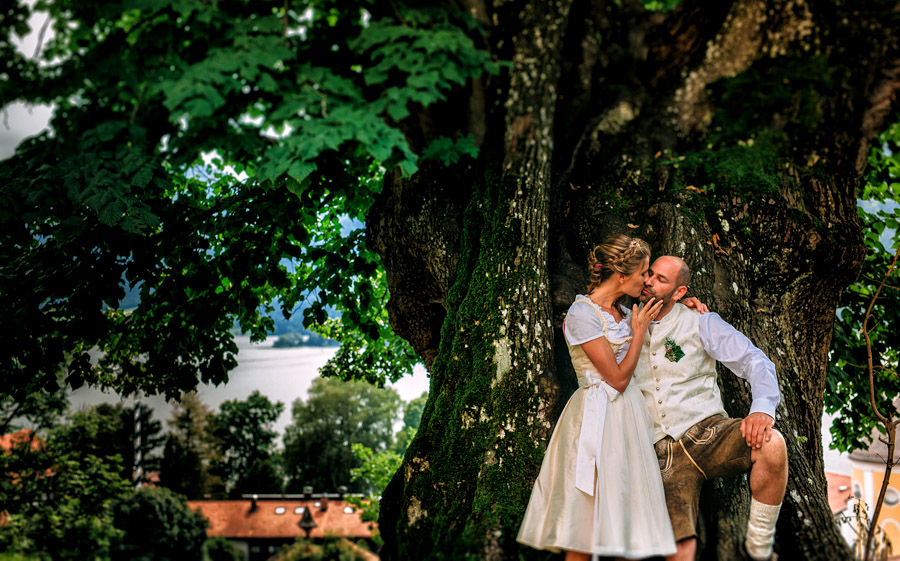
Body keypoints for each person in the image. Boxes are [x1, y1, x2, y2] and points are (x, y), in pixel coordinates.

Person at [517, 234, 675, 560]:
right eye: (644, 272)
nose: (647, 280)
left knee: (624, 530)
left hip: (628, 420)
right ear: (621, 275)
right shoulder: (581, 313)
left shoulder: (627, 312)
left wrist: (687, 305)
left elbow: (667, 342)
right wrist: (640, 332)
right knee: (583, 532)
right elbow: (616, 379)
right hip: (596, 416)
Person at [634, 255, 788, 561]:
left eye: (661, 279)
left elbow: (754, 360)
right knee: (679, 548)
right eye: (649, 274)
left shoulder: (700, 321)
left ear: (679, 293)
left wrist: (762, 408)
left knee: (772, 445)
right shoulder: (620, 326)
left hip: (709, 434)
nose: (649, 282)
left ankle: (758, 548)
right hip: (658, 454)